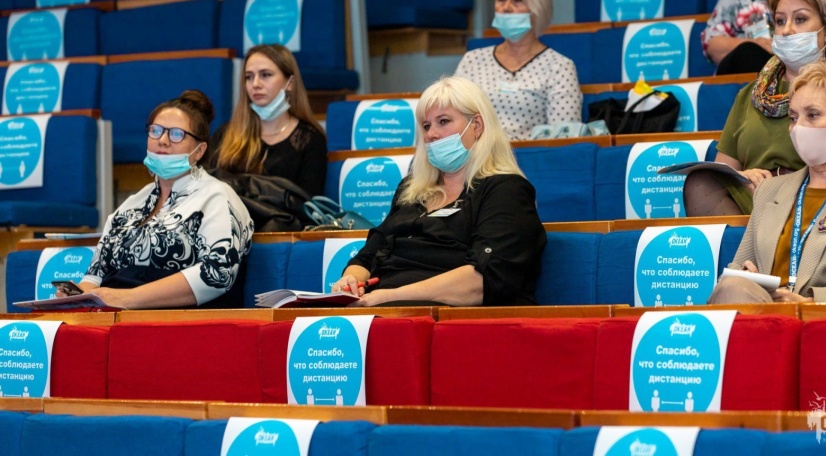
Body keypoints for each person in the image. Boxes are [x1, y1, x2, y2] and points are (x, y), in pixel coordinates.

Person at [331, 76, 546, 306]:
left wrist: (389, 296)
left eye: (443, 121)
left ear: (477, 126)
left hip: (451, 314)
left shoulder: (506, 190)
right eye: (426, 126)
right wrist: (351, 280)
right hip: (384, 304)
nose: (431, 134)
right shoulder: (411, 190)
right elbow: (368, 255)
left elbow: (483, 281)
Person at [684, 0, 826, 216]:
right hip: (752, 200)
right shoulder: (749, 95)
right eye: (780, 21)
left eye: (800, 19)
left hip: (813, 201)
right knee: (701, 182)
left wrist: (787, 184)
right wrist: (746, 177)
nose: (787, 30)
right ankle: (752, 238)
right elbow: (725, 170)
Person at [708, 58, 826, 304]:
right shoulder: (769, 190)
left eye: (812, 115)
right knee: (733, 287)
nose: (798, 128)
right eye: (793, 117)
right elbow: (737, 271)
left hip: (823, 321)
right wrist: (747, 276)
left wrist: (811, 303)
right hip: (763, 312)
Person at [70, 90, 254, 309]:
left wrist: (127, 298)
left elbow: (217, 273)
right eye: (156, 131)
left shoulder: (217, 197)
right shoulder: (131, 205)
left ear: (199, 151)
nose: (163, 141)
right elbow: (95, 274)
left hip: (182, 320)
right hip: (116, 316)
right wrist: (76, 296)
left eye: (176, 134)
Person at [455, 0, 582, 140]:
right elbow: (452, 119)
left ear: (537, 8)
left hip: (529, 155)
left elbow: (563, 137)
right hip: (476, 153)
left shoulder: (559, 67)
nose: (506, 7)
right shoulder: (473, 60)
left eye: (517, 1)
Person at [209, 44, 327, 197]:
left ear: (290, 83)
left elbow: (307, 202)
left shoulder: (310, 139)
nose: (255, 84)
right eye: (249, 77)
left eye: (265, 75)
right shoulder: (226, 134)